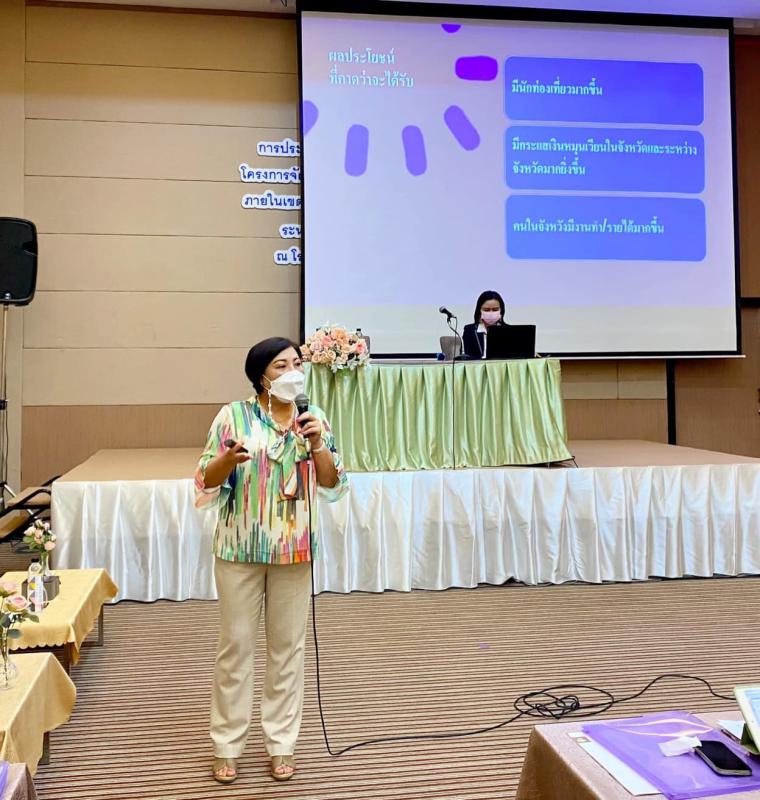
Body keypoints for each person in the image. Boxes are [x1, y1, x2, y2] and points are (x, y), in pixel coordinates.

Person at [194, 337, 348, 785]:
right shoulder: (233, 416)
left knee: (287, 650)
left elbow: (332, 481)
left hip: (293, 550)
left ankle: (282, 744)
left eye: (297, 363)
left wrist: (318, 445)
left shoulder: (313, 417)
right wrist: (227, 459)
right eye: (281, 365)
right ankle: (227, 745)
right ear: (261, 375)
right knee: (236, 647)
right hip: (240, 549)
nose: (292, 372)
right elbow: (205, 477)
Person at [462, 290, 506, 359]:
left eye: (495, 309)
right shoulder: (470, 331)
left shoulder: (509, 331)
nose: (491, 313)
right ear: (480, 310)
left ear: (501, 310)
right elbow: (468, 357)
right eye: (487, 310)